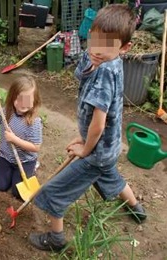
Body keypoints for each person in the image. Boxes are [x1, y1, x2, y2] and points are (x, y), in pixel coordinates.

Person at [29, 4, 147, 252]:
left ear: (125, 48)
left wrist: (86, 147)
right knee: (110, 177)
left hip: (97, 151)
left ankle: (56, 239)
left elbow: (99, 122)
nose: (97, 50)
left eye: (106, 46)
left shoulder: (106, 72)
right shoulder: (99, 59)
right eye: (94, 41)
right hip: (108, 149)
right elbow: (83, 76)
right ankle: (137, 209)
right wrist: (84, 136)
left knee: (54, 192)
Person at [0, 76, 42, 199]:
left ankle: (33, 167)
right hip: (6, 157)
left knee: (17, 193)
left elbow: (36, 147)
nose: (23, 104)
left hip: (25, 161)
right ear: (12, 97)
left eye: (27, 100)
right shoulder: (6, 111)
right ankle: (7, 171)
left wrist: (14, 139)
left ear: (35, 100)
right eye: (19, 99)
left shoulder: (34, 121)